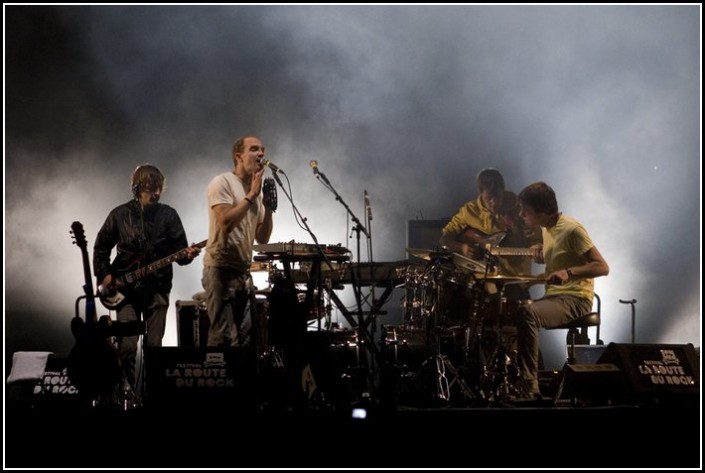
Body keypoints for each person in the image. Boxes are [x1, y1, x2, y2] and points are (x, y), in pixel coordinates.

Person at [93, 164, 201, 393]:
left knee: (155, 348)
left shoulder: (169, 215)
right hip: (124, 293)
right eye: (151, 188)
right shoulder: (119, 214)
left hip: (158, 288)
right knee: (128, 346)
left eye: (159, 188)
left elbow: (180, 254)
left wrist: (188, 255)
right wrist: (105, 274)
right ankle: (126, 394)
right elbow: (101, 247)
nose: (157, 193)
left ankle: (154, 397)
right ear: (137, 188)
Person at [515, 181, 609, 398]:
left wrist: (570, 272)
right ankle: (522, 379)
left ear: (541, 211)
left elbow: (602, 267)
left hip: (576, 300)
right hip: (557, 297)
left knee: (528, 312)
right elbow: (558, 263)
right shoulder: (547, 229)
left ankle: (529, 387)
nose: (521, 214)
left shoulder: (572, 229)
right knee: (517, 310)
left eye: (525, 210)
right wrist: (538, 269)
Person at [202, 135, 275, 348]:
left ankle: (242, 382)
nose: (261, 154)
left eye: (262, 150)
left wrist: (269, 209)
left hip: (243, 272)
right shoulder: (222, 182)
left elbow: (262, 238)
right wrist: (251, 195)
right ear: (238, 157)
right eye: (254, 149)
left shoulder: (256, 193)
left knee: (245, 339)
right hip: (220, 270)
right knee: (221, 337)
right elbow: (225, 222)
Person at [439, 167, 541, 278]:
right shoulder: (469, 210)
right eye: (488, 198)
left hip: (514, 278)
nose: (494, 203)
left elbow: (535, 240)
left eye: (497, 197)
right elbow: (445, 238)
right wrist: (462, 248)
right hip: (479, 279)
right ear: (480, 193)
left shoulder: (520, 209)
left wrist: (537, 249)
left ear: (503, 191)